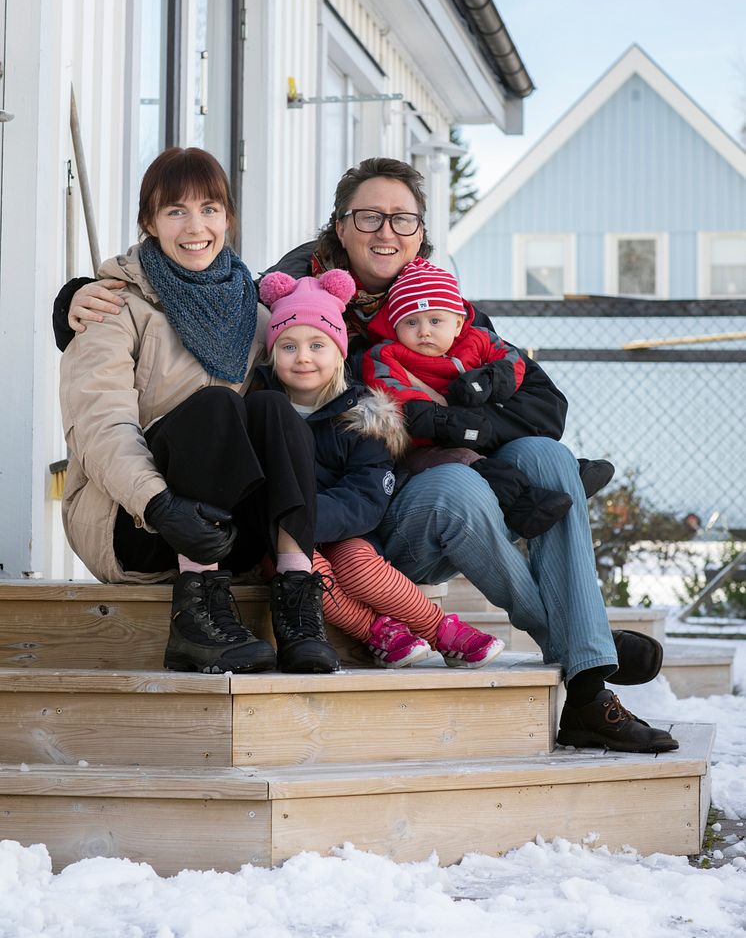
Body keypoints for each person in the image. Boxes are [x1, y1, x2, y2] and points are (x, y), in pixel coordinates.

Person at [55, 156, 675, 753]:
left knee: (547, 458)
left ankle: (589, 685)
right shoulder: (285, 292)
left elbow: (545, 406)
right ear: (339, 225)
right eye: (368, 216)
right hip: (319, 512)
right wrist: (76, 299)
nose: (386, 232)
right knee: (449, 488)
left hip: (374, 490)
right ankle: (575, 638)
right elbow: (171, 335)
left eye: (402, 218)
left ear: (421, 232)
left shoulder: (437, 300)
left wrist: (453, 431)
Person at [58, 146, 339, 676]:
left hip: (227, 529)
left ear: (228, 219)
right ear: (149, 222)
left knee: (274, 411)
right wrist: (161, 505)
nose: (196, 226)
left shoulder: (255, 318)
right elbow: (99, 428)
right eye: (176, 211)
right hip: (135, 523)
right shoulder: (111, 308)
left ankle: (297, 599)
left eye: (210, 209)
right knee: (214, 406)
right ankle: (198, 612)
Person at [254, 268, 504, 669]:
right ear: (272, 352)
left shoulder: (364, 416)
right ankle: (377, 632)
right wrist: (292, 524)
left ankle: (441, 629)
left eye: (318, 344)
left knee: (358, 562)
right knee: (304, 570)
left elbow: (367, 494)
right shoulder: (261, 410)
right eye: (288, 346)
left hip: (346, 529)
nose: (303, 357)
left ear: (339, 352)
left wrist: (305, 516)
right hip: (280, 539)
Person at [361, 255, 615, 539]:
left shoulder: (478, 338)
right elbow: (392, 393)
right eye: (410, 323)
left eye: (435, 320)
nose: (424, 332)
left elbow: (511, 360)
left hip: (480, 418)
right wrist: (442, 419)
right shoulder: (386, 354)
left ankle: (567, 476)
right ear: (395, 327)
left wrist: (492, 379)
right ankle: (522, 504)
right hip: (432, 439)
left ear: (458, 323)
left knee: (511, 434)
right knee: (469, 461)